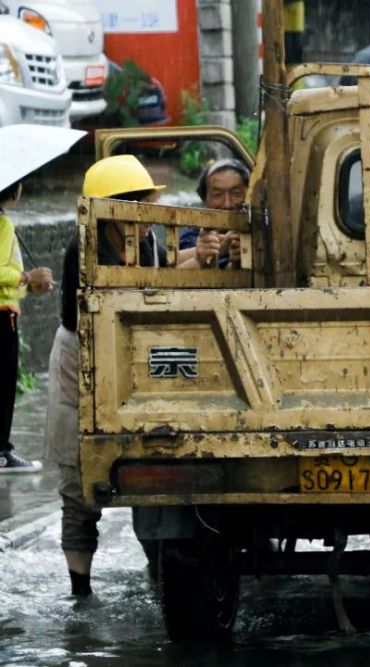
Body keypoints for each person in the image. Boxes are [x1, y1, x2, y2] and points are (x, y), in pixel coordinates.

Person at [45, 154, 198, 597]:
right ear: (113, 210)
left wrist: (202, 255)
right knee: (77, 482)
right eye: (138, 206)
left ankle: (158, 566)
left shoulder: (146, 240)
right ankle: (80, 588)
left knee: (147, 459)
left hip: (128, 354)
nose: (146, 218)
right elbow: (104, 308)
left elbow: (162, 274)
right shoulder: (85, 251)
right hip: (82, 360)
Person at [1, 180, 53, 473]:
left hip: (7, 306)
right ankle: (1, 452)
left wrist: (29, 287)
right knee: (5, 385)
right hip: (2, 315)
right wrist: (25, 276)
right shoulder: (3, 224)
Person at [178, 158, 250, 269]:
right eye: (217, 195)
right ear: (204, 200)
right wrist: (221, 247)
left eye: (236, 193)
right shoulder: (193, 235)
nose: (227, 204)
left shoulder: (260, 231)